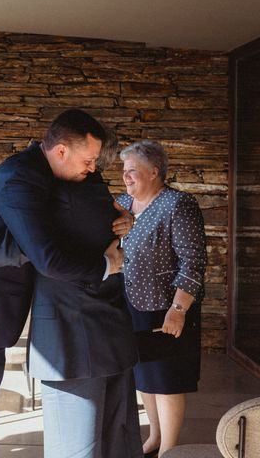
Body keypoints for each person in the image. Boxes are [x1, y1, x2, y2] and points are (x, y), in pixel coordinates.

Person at [0, 108, 141, 458]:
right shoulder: (22, 178)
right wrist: (106, 263)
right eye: (88, 160)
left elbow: (72, 217)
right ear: (61, 151)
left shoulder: (46, 171)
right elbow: (44, 255)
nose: (93, 168)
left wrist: (119, 218)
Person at [116, 141, 207, 458]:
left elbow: (193, 261)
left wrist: (178, 309)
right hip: (131, 306)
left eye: (132, 171)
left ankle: (170, 447)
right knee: (144, 378)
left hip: (166, 308)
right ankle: (154, 437)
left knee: (166, 380)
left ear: (154, 171)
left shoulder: (178, 204)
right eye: (124, 170)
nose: (126, 177)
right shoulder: (122, 203)